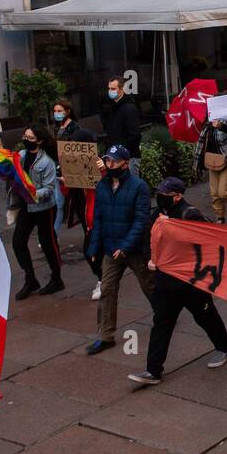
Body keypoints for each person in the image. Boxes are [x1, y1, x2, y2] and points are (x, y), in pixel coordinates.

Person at [129, 178, 227, 385]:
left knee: (205, 316)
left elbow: (208, 242)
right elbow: (148, 237)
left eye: (165, 194)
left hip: (190, 282)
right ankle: (153, 370)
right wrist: (150, 257)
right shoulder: (158, 213)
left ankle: (224, 347)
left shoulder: (190, 214)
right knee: (161, 323)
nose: (161, 197)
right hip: (165, 282)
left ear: (178, 196)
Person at [85, 145, 154, 354]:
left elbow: (141, 220)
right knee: (107, 289)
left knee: (149, 286)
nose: (109, 165)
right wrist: (95, 246)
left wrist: (125, 246)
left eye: (114, 162)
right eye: (107, 161)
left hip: (133, 249)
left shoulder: (138, 186)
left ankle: (164, 315)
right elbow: (98, 218)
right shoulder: (102, 186)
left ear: (125, 164)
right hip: (111, 247)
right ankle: (105, 335)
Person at [53, 100, 103, 299]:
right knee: (92, 246)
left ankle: (103, 278)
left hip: (97, 214)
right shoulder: (77, 167)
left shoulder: (101, 166)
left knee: (93, 247)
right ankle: (103, 277)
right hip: (86, 213)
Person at [11, 126, 63, 299]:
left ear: (39, 141)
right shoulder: (23, 156)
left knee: (48, 242)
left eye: (30, 137)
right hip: (27, 206)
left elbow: (49, 189)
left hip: (44, 208)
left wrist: (31, 193)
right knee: (18, 241)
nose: (26, 139)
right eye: (25, 136)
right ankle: (30, 278)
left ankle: (57, 278)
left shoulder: (46, 162)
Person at [196, 78, 227, 223]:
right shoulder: (209, 123)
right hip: (212, 160)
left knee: (223, 192)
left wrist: (221, 126)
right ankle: (220, 218)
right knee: (214, 193)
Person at [102, 76, 141, 167]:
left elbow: (135, 135)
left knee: (129, 181)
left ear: (122, 89)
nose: (110, 91)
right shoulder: (113, 107)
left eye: (113, 88)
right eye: (109, 88)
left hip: (128, 158)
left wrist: (120, 151)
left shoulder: (129, 108)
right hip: (114, 157)